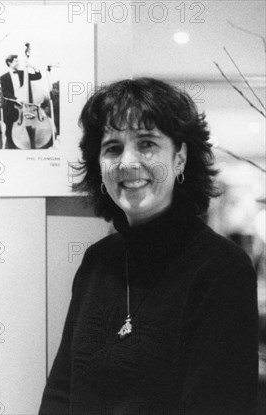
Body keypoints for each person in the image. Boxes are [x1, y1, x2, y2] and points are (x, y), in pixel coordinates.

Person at [39, 78, 258, 414]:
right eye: (113, 148)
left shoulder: (222, 269)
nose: (128, 162)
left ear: (180, 157)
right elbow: (60, 392)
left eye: (147, 144)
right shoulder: (97, 261)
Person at [0, 54, 42, 149]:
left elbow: (38, 76)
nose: (18, 63)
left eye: (18, 61)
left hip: (24, 108)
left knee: (25, 133)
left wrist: (32, 66)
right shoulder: (4, 77)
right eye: (16, 61)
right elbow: (5, 93)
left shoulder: (23, 73)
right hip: (11, 108)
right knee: (10, 133)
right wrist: (17, 99)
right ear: (9, 63)